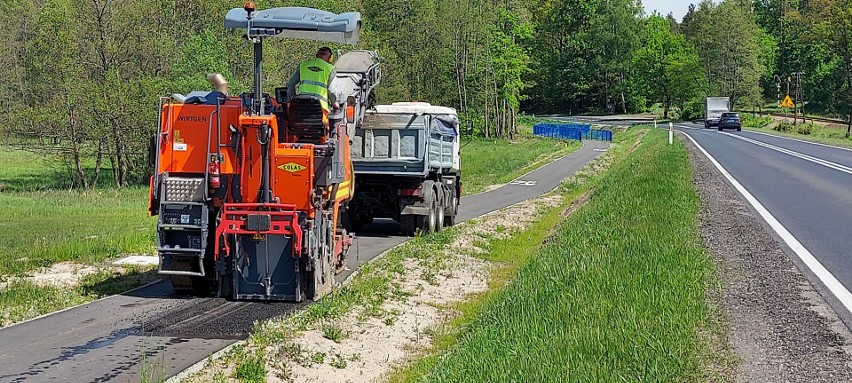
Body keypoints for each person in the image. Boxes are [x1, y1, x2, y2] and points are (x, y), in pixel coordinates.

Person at [286, 47, 337, 113]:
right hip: (320, 108)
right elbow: (331, 91)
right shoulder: (330, 69)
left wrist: (293, 100)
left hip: (301, 105)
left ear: (317, 55)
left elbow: (290, 84)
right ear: (330, 58)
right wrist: (334, 103)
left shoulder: (303, 65)